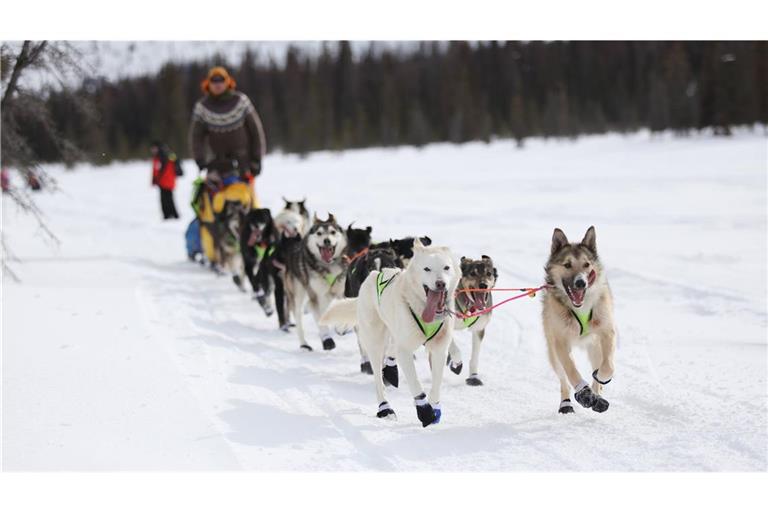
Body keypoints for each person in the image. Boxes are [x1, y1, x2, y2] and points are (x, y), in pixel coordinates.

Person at [188, 66, 267, 266]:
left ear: (228, 82)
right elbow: (196, 137)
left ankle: (257, 252)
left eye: (220, 80)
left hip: (243, 167)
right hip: (217, 167)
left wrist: (257, 160)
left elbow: (255, 132)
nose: (217, 84)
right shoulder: (202, 107)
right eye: (213, 81)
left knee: (250, 209)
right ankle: (213, 252)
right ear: (208, 84)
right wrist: (200, 160)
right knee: (212, 211)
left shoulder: (241, 102)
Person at [150, 141, 181, 220]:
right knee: (168, 199)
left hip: (165, 181)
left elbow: (158, 169)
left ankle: (170, 215)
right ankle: (172, 215)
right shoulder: (168, 155)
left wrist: (156, 179)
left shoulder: (161, 157)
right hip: (168, 181)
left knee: (166, 199)